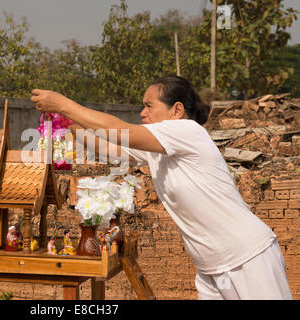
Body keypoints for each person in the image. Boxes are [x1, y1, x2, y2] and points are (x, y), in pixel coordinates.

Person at [31, 75, 292, 300]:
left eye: (149, 106)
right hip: (211, 267)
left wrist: (64, 103)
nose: (142, 113)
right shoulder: (159, 149)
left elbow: (118, 130)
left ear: (176, 110)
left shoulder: (188, 132)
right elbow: (108, 147)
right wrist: (66, 121)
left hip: (247, 257)